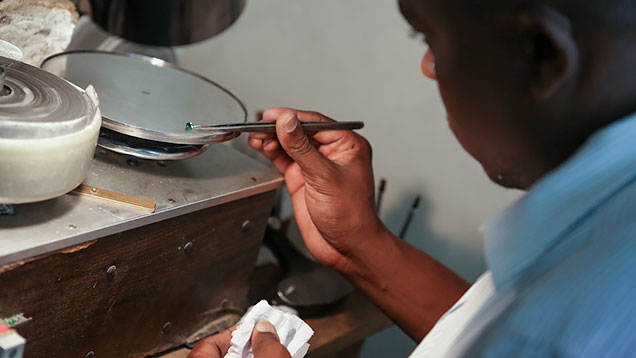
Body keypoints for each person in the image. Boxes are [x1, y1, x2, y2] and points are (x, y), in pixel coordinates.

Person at [190, 0, 636, 356]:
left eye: (427, 34)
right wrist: (358, 243)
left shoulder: (560, 334)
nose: (428, 66)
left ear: (542, 54)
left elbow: (521, 337)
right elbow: (484, 323)